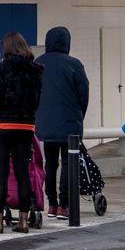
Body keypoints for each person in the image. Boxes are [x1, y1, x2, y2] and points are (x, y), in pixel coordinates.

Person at [0, 31, 44, 233]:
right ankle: (24, 222)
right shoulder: (35, 70)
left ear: (8, 48)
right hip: (25, 127)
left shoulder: (2, 68)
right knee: (22, 174)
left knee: (0, 175)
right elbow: (36, 102)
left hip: (1, 127)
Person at [35, 26, 89, 219]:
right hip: (69, 123)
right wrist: (79, 116)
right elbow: (84, 94)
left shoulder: (38, 63)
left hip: (45, 123)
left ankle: (52, 204)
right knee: (68, 163)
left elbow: (33, 93)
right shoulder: (74, 64)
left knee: (50, 163)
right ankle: (64, 205)